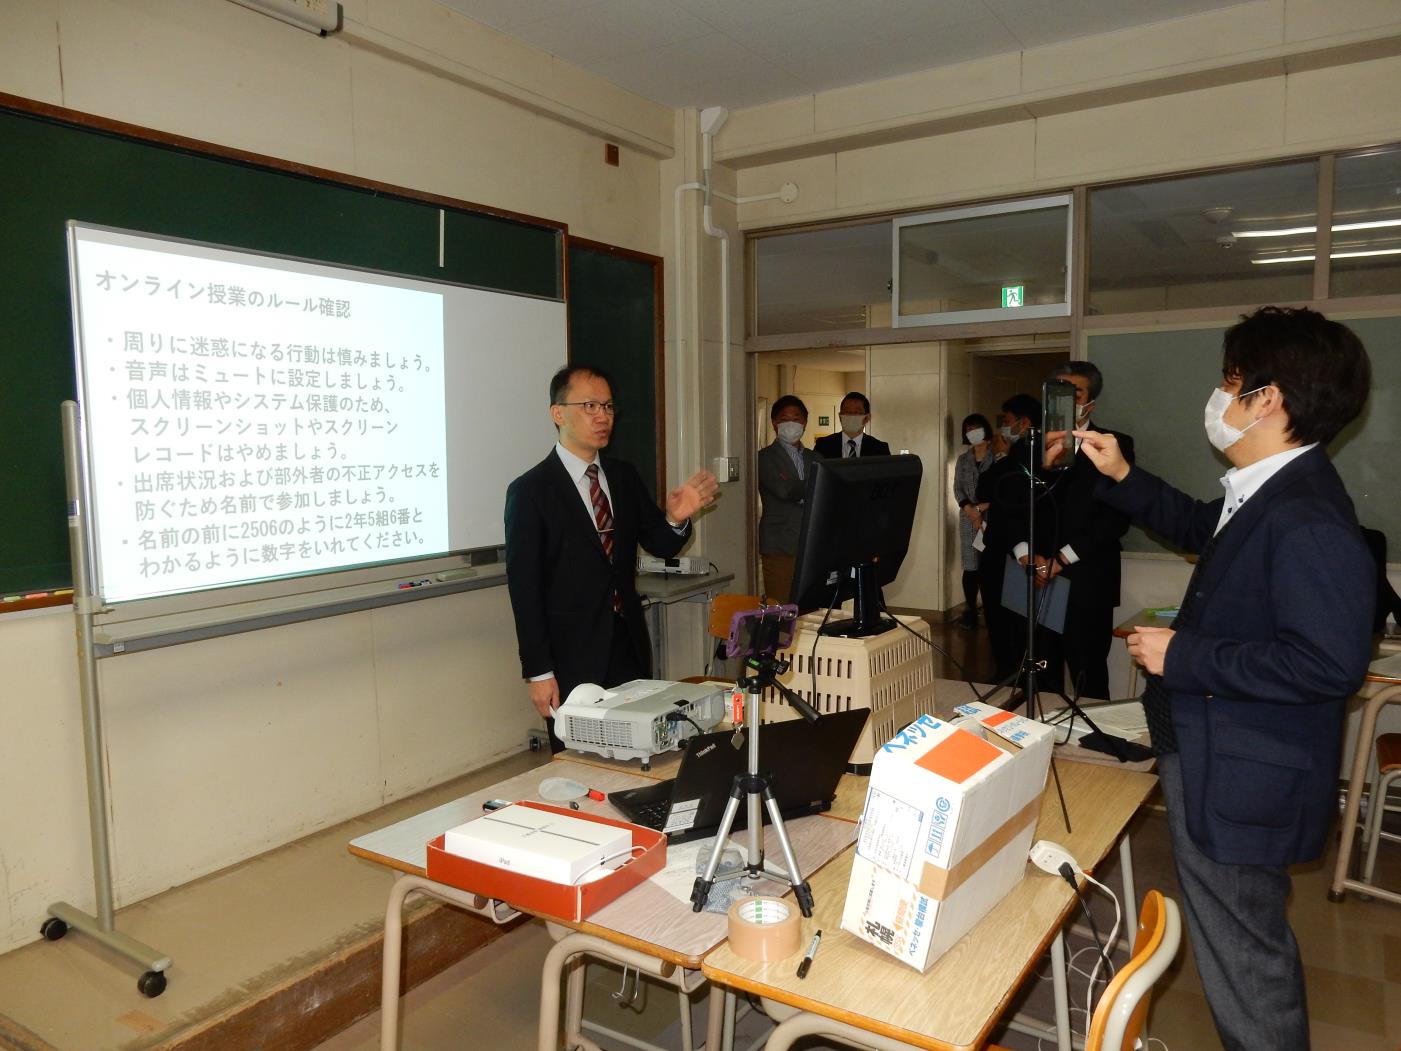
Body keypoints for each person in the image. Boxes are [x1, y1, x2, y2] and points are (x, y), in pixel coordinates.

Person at [1067, 306, 1374, 1051]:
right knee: (1237, 949)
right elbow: (1205, 525)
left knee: (1246, 963)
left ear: (1267, 398)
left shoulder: (1306, 517)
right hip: (1218, 757)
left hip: (1244, 778)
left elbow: (1328, 663)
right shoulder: (1268, 488)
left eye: (1229, 382)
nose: (1219, 398)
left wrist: (1184, 656)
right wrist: (1120, 474)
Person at [505, 364, 719, 752]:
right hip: (571, 655)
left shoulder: (622, 476)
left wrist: (676, 517)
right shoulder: (531, 491)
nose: (602, 416)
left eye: (608, 406)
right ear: (558, 413)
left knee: (640, 753)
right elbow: (525, 591)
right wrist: (538, 672)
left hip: (628, 644)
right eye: (589, 406)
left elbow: (662, 544)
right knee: (580, 759)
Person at [1033, 361, 1135, 700]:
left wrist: (1063, 558)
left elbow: (1115, 519)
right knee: (1041, 672)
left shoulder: (1115, 444)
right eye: (1056, 389)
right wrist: (1031, 556)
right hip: (1039, 578)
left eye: (1072, 392)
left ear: (1089, 402)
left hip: (1088, 578)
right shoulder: (1031, 446)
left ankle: (1096, 748)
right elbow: (1018, 509)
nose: (1062, 398)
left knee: (1089, 672)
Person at [974, 393, 1041, 685]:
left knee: (1008, 621)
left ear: (1024, 424)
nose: (1002, 428)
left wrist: (1000, 456)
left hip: (1013, 551)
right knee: (1002, 619)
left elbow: (990, 488)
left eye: (1007, 422)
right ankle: (1007, 670)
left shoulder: (1027, 455)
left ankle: (1012, 674)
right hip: (1001, 549)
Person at [757, 394, 817, 602]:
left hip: (811, 544)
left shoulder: (815, 457)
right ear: (774, 423)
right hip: (779, 545)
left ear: (805, 423)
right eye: (784, 419)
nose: (791, 424)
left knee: (810, 606)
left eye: (797, 418)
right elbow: (784, 490)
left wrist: (802, 490)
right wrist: (812, 487)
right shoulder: (763, 458)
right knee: (781, 606)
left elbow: (825, 492)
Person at [951, 413, 995, 628]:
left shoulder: (997, 456)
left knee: (990, 565)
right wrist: (970, 509)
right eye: (968, 428)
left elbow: (1002, 490)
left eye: (976, 427)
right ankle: (970, 609)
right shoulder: (963, 459)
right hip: (968, 517)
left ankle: (992, 609)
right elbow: (957, 488)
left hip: (992, 516)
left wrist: (981, 508)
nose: (972, 432)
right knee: (970, 567)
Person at [813, 392, 892, 459]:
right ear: (840, 416)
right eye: (847, 412)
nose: (851, 415)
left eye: (857, 412)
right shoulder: (823, 445)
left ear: (867, 417)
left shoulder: (880, 449)